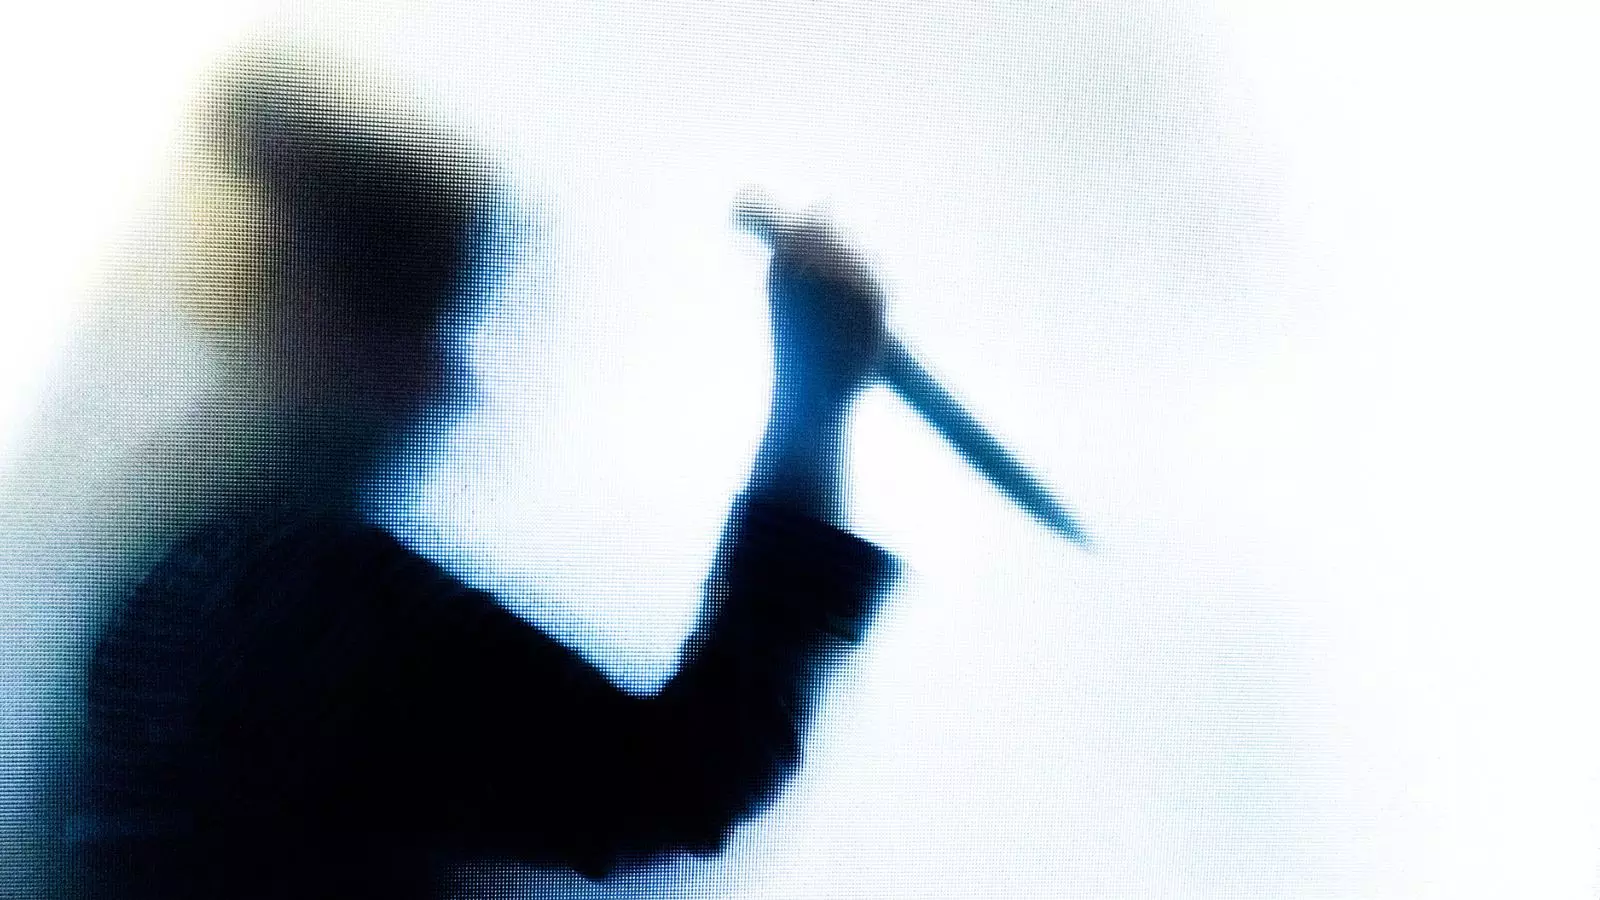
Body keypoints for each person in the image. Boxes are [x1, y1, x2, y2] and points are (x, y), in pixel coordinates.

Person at [65, 68, 897, 899]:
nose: (450, 382)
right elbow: (682, 779)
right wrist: (814, 391)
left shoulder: (180, 585)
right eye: (418, 321)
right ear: (309, 316)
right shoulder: (296, 601)